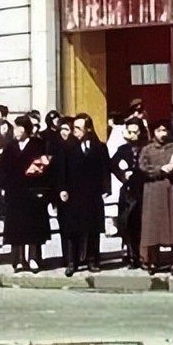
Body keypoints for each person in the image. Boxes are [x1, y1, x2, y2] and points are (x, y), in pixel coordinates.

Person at [0, 116, 56, 273]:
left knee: (34, 227)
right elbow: (2, 169)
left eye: (17, 128)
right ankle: (18, 259)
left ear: (24, 129)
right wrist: (3, 184)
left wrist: (41, 179)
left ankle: (34, 258)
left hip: (34, 192)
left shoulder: (39, 145)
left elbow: (47, 167)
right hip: (15, 193)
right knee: (16, 228)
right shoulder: (10, 147)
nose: (15, 131)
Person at [137, 119, 173, 275]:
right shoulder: (147, 150)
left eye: (165, 130)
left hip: (172, 189)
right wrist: (160, 169)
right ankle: (153, 261)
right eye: (159, 130)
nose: (162, 133)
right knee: (152, 227)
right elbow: (142, 168)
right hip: (153, 191)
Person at [59, 114, 110, 276]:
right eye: (74, 128)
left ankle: (93, 260)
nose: (75, 132)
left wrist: (105, 189)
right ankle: (72, 262)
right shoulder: (67, 147)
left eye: (79, 128)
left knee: (93, 229)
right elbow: (62, 170)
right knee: (73, 229)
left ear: (88, 129)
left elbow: (105, 169)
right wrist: (62, 189)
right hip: (73, 194)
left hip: (93, 194)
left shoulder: (99, 147)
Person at [110, 119, 147, 269]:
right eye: (129, 132)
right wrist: (122, 175)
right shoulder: (123, 149)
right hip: (128, 191)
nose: (132, 135)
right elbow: (112, 164)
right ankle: (131, 255)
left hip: (143, 189)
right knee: (128, 223)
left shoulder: (146, 148)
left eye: (135, 132)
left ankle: (143, 255)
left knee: (141, 224)